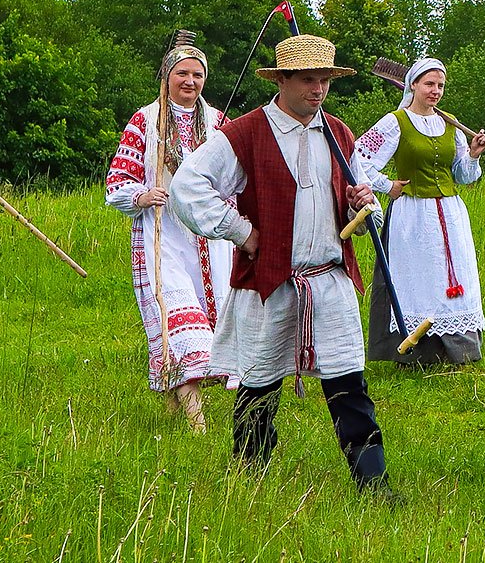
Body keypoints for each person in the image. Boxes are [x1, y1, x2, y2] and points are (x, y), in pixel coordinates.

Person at [169, 34, 393, 494]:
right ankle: (249, 481)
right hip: (270, 282)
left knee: (350, 388)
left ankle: (374, 484)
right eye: (308, 80)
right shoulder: (247, 132)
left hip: (328, 279)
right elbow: (188, 186)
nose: (318, 90)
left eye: (325, 80)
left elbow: (359, 204)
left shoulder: (339, 132)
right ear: (283, 80)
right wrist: (241, 231)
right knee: (259, 387)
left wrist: (359, 204)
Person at [106, 44, 236, 433]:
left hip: (211, 243)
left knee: (212, 324)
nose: (190, 82)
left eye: (197, 75)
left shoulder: (218, 121)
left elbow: (237, 174)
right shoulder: (145, 120)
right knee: (178, 323)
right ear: (166, 77)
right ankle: (197, 425)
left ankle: (171, 410)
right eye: (183, 74)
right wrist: (141, 195)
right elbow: (117, 181)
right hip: (163, 238)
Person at [355, 57, 485, 365]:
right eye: (429, 84)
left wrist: (472, 154)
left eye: (440, 86)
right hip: (412, 216)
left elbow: (463, 176)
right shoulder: (395, 121)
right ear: (413, 85)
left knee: (454, 279)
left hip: (450, 215)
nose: (435, 91)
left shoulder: (450, 122)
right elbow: (358, 157)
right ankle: (415, 351)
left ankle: (458, 351)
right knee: (417, 278)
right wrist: (386, 184)